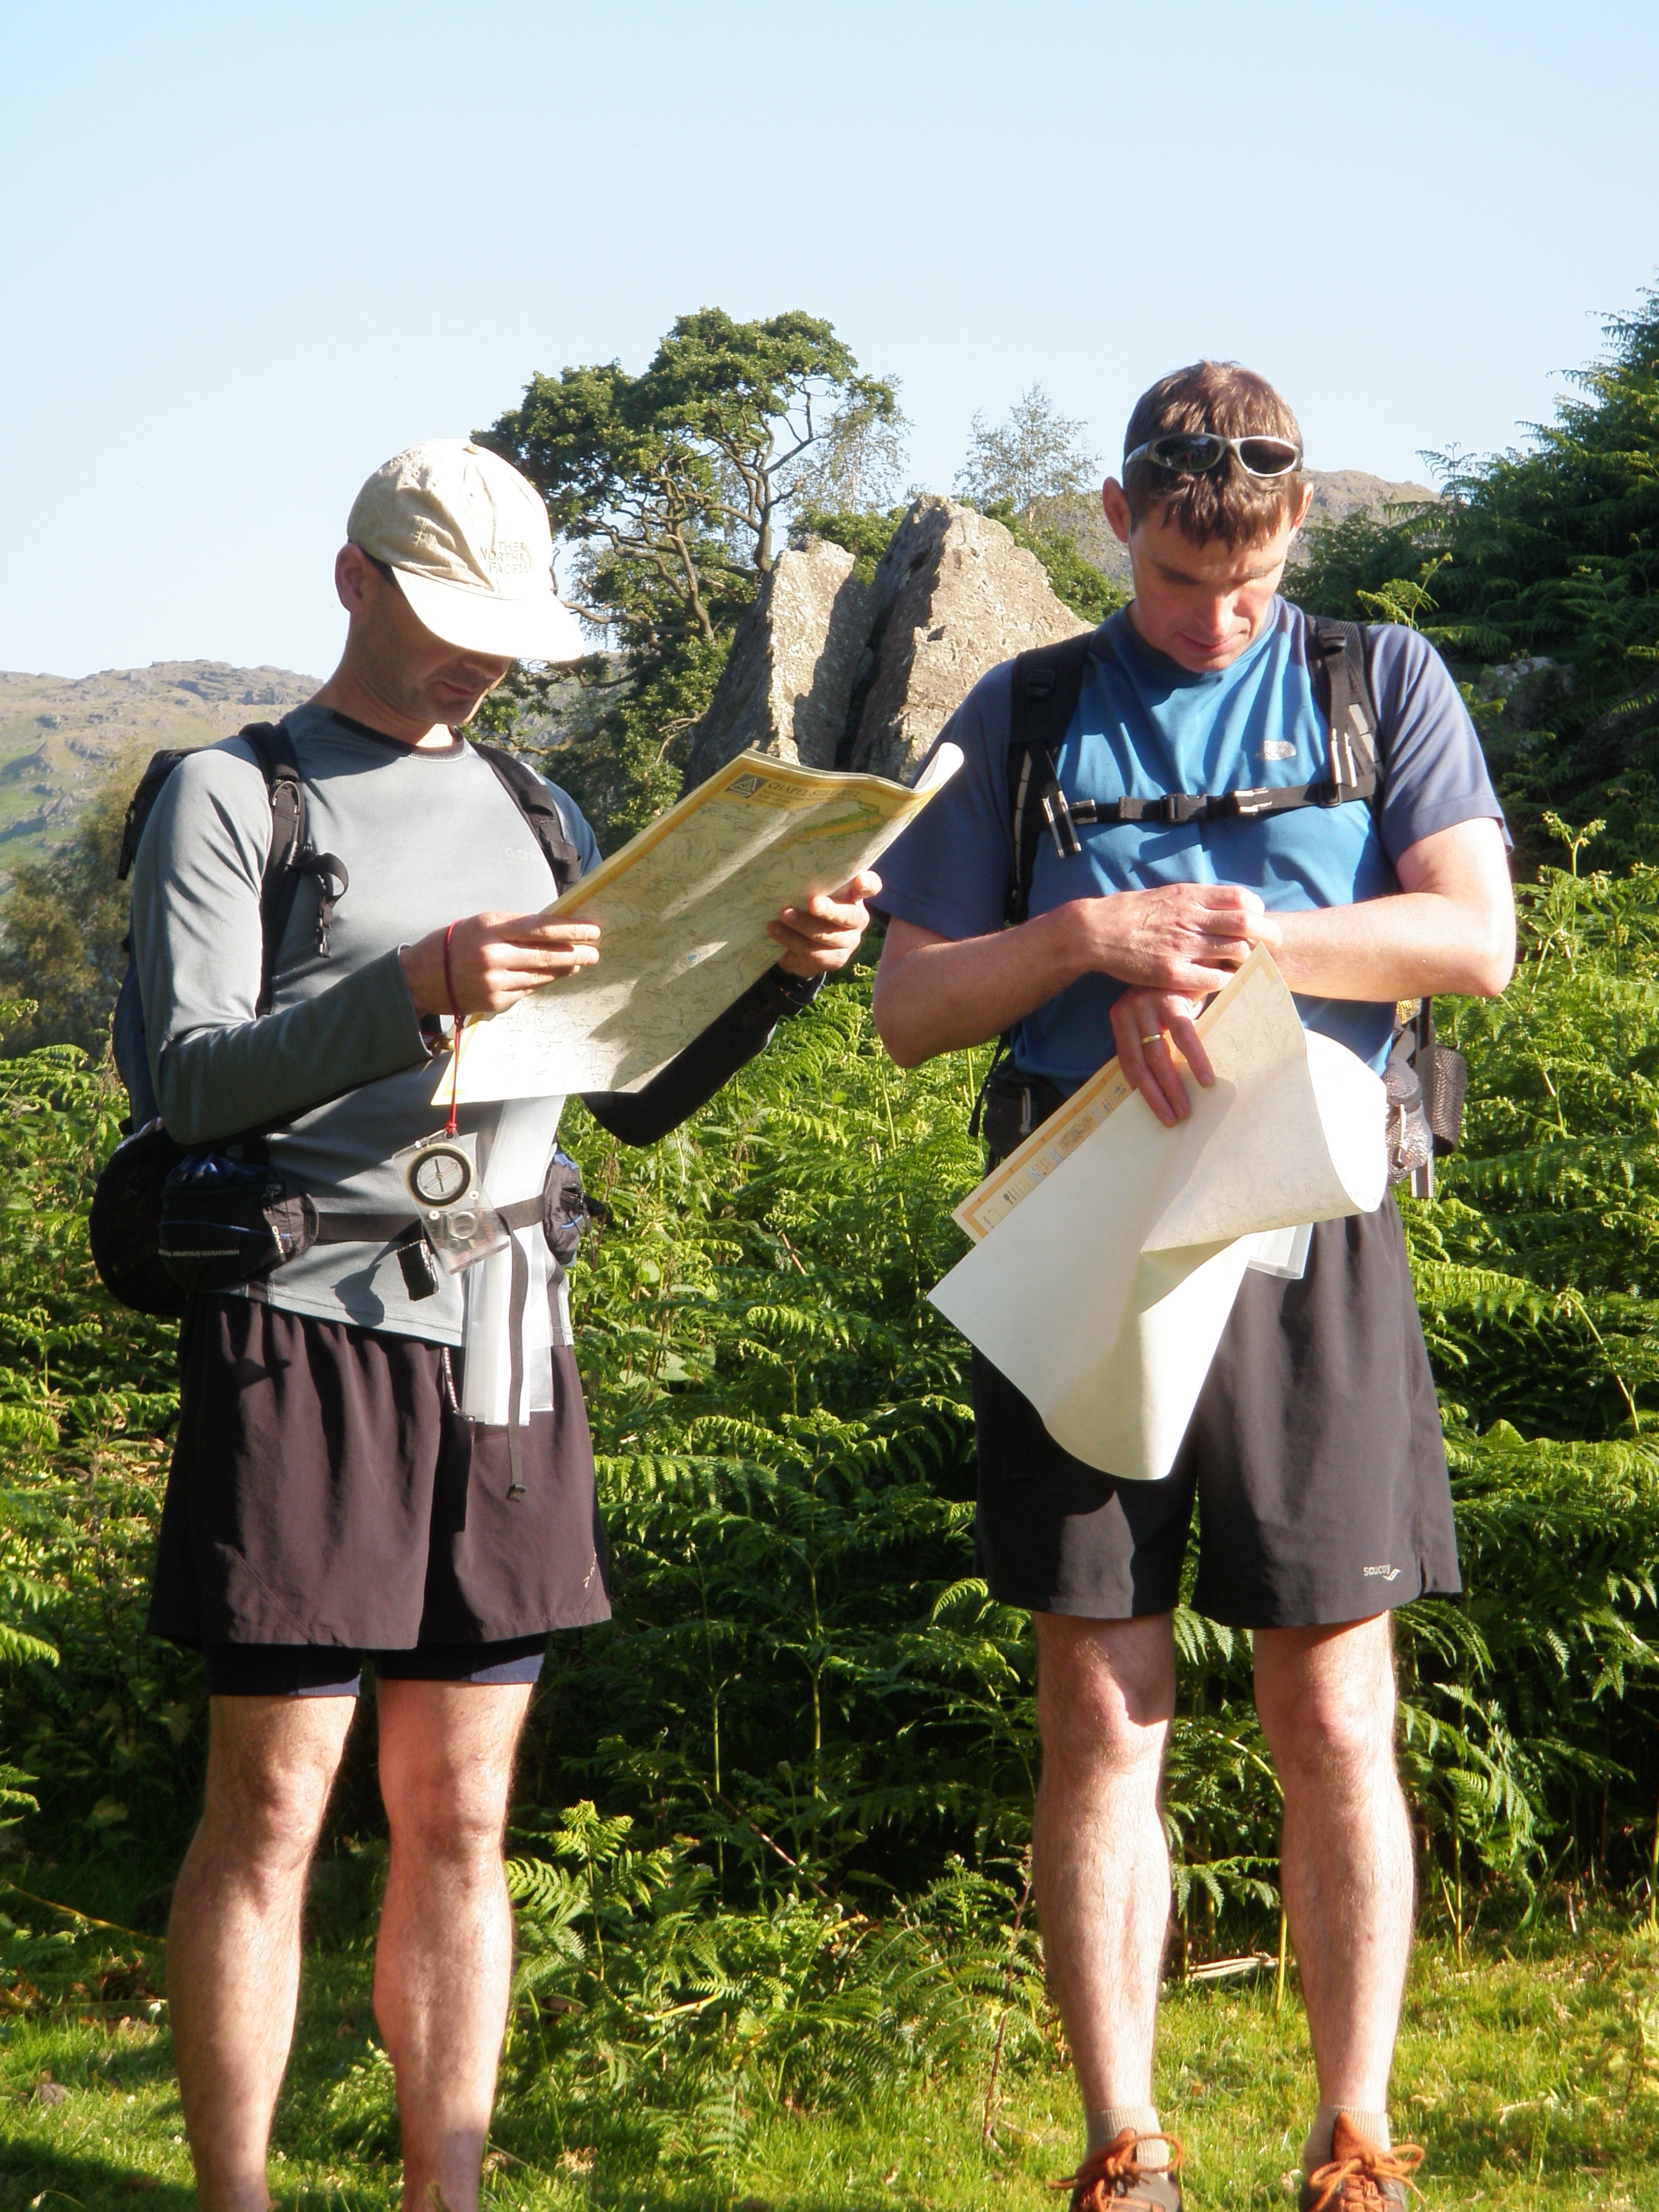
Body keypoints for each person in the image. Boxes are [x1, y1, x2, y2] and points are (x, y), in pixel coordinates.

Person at [132, 438, 877, 2212]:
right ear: (352, 583)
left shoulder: (545, 810)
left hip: (511, 1339)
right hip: (302, 1330)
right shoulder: (235, 796)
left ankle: (443, 2194)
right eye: (449, 623)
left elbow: (623, 1091)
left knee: (464, 1814)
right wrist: (412, 990)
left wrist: (774, 977)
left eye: (502, 636)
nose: (480, 664)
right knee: (278, 1807)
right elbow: (182, 1082)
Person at [871, 364, 1515, 2211]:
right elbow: (914, 1009)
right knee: (1101, 1710)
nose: (1215, 620)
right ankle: (1123, 2143)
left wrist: (1233, 943)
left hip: (1313, 1228)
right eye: (1177, 586)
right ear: (1113, 519)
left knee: (1334, 1708)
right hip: (1085, 1237)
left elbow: (1473, 936)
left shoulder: (1378, 678)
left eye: (1244, 588)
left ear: (1295, 527)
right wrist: (1089, 940)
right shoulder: (1034, 707)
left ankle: (1356, 2133)